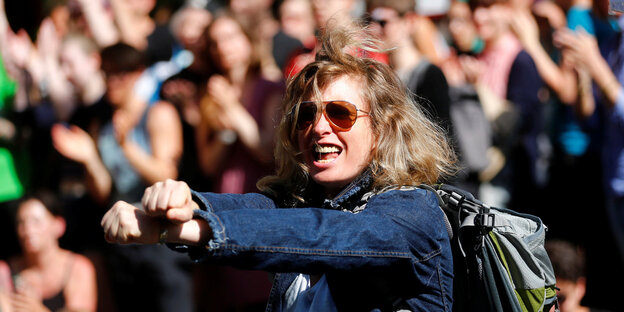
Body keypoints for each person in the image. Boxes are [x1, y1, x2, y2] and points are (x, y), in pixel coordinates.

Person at [101, 24, 457, 311]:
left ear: (382, 130)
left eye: (340, 113)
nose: (318, 127)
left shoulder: (412, 211)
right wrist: (180, 204)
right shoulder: (303, 203)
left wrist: (185, 231)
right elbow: (254, 208)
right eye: (306, 115)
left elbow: (327, 233)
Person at [0, 191, 97, 312]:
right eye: (21, 222)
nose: (28, 229)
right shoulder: (4, 271)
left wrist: (37, 310)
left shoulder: (78, 268)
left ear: (59, 225)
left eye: (36, 221)